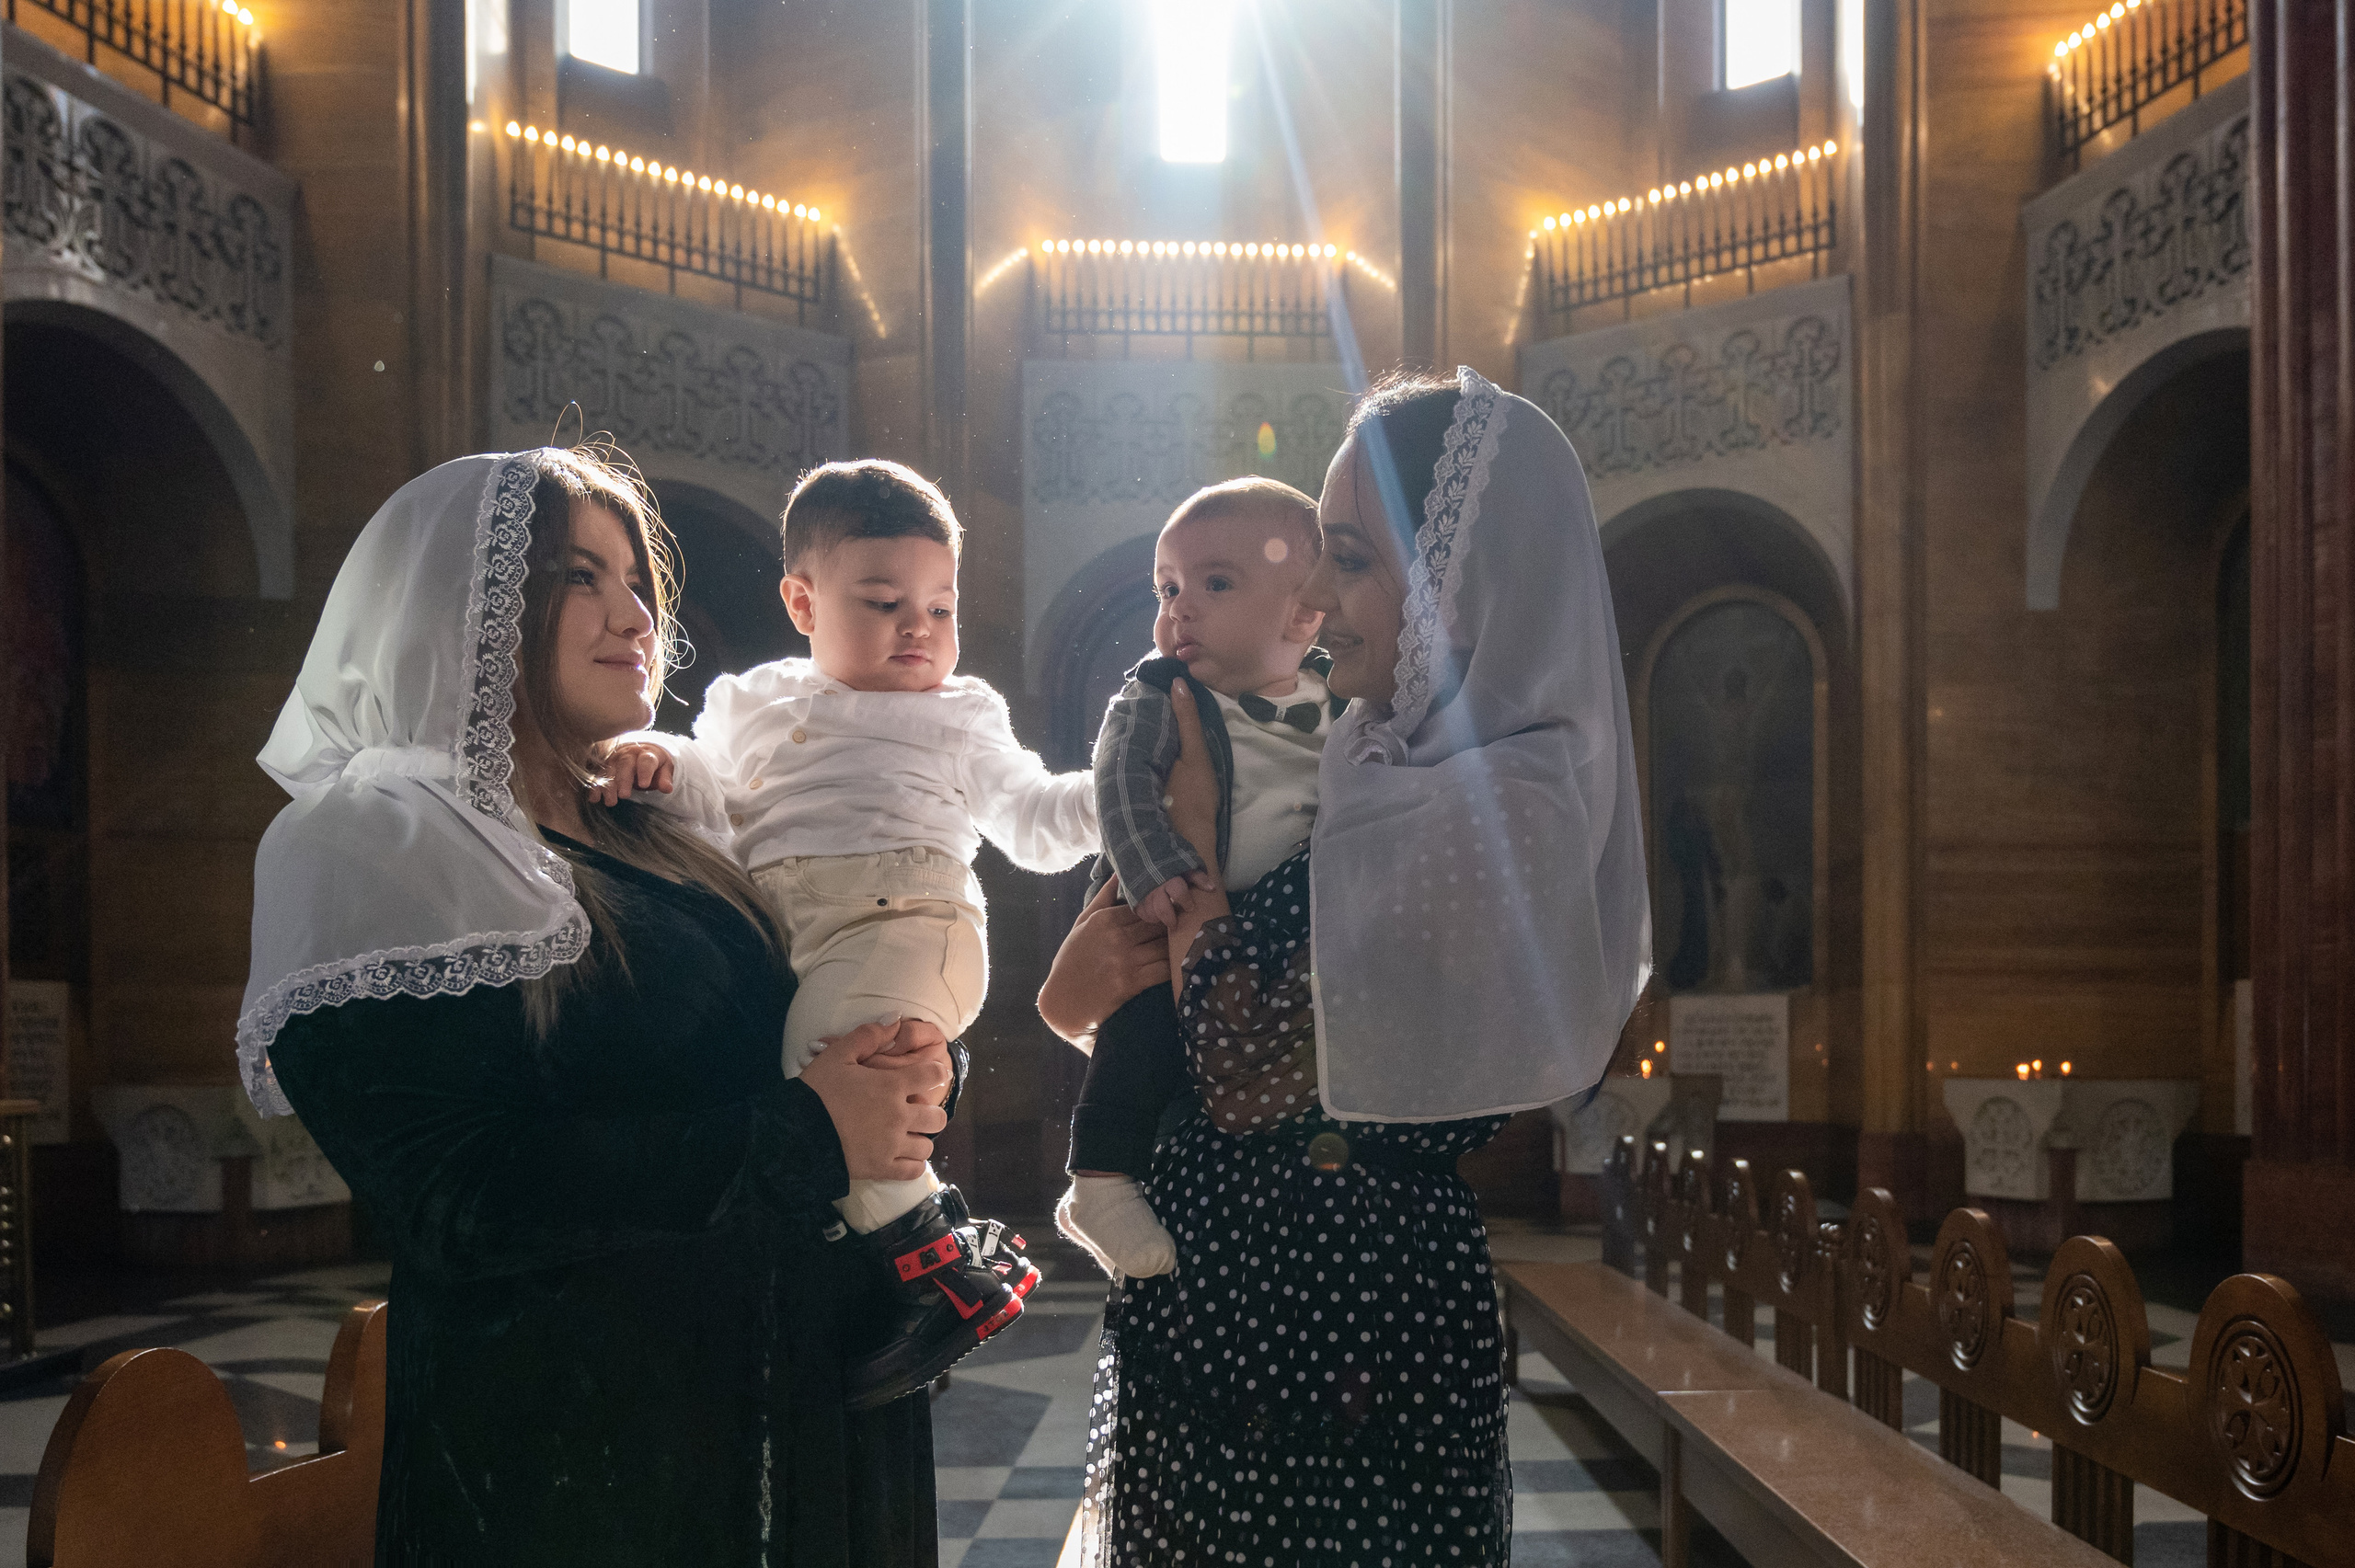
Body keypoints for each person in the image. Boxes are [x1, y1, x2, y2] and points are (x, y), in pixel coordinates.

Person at [241, 445, 959, 1565]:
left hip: (802, 1407)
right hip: (589, 1462)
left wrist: (900, 1061)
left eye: (638, 582)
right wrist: (808, 1133)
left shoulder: (664, 828)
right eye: (580, 575)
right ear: (461, 604)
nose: (636, 616)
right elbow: (451, 1195)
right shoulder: (371, 844)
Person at [1038, 367, 1651, 1565]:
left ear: (1463, 582)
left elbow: (1250, 1073)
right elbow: (1097, 997)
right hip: (1214, 1293)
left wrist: (1198, 851)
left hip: (1346, 1310)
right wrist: (1083, 978)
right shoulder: (1363, 758)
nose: (1312, 594)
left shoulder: (1500, 805)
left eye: (1351, 560)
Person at [600, 458, 1097, 1403]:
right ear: (802, 599)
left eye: (941, 607)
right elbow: (712, 795)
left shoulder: (959, 713)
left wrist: (1119, 790)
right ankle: (903, 1261)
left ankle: (949, 1272)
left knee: (820, 1073)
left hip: (911, 923)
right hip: (802, 933)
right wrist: (655, 755)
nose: (920, 627)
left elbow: (1033, 824)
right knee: (815, 1081)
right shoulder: (749, 702)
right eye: (882, 601)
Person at [1057, 476, 1343, 1279]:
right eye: (1169, 587)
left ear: (1302, 612)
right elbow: (1117, 785)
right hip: (1164, 901)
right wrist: (1155, 872)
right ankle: (1101, 1178)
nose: (1180, 608)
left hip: (1272, 924)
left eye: (1215, 584)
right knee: (1144, 1027)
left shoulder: (1340, 700)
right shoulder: (1159, 690)